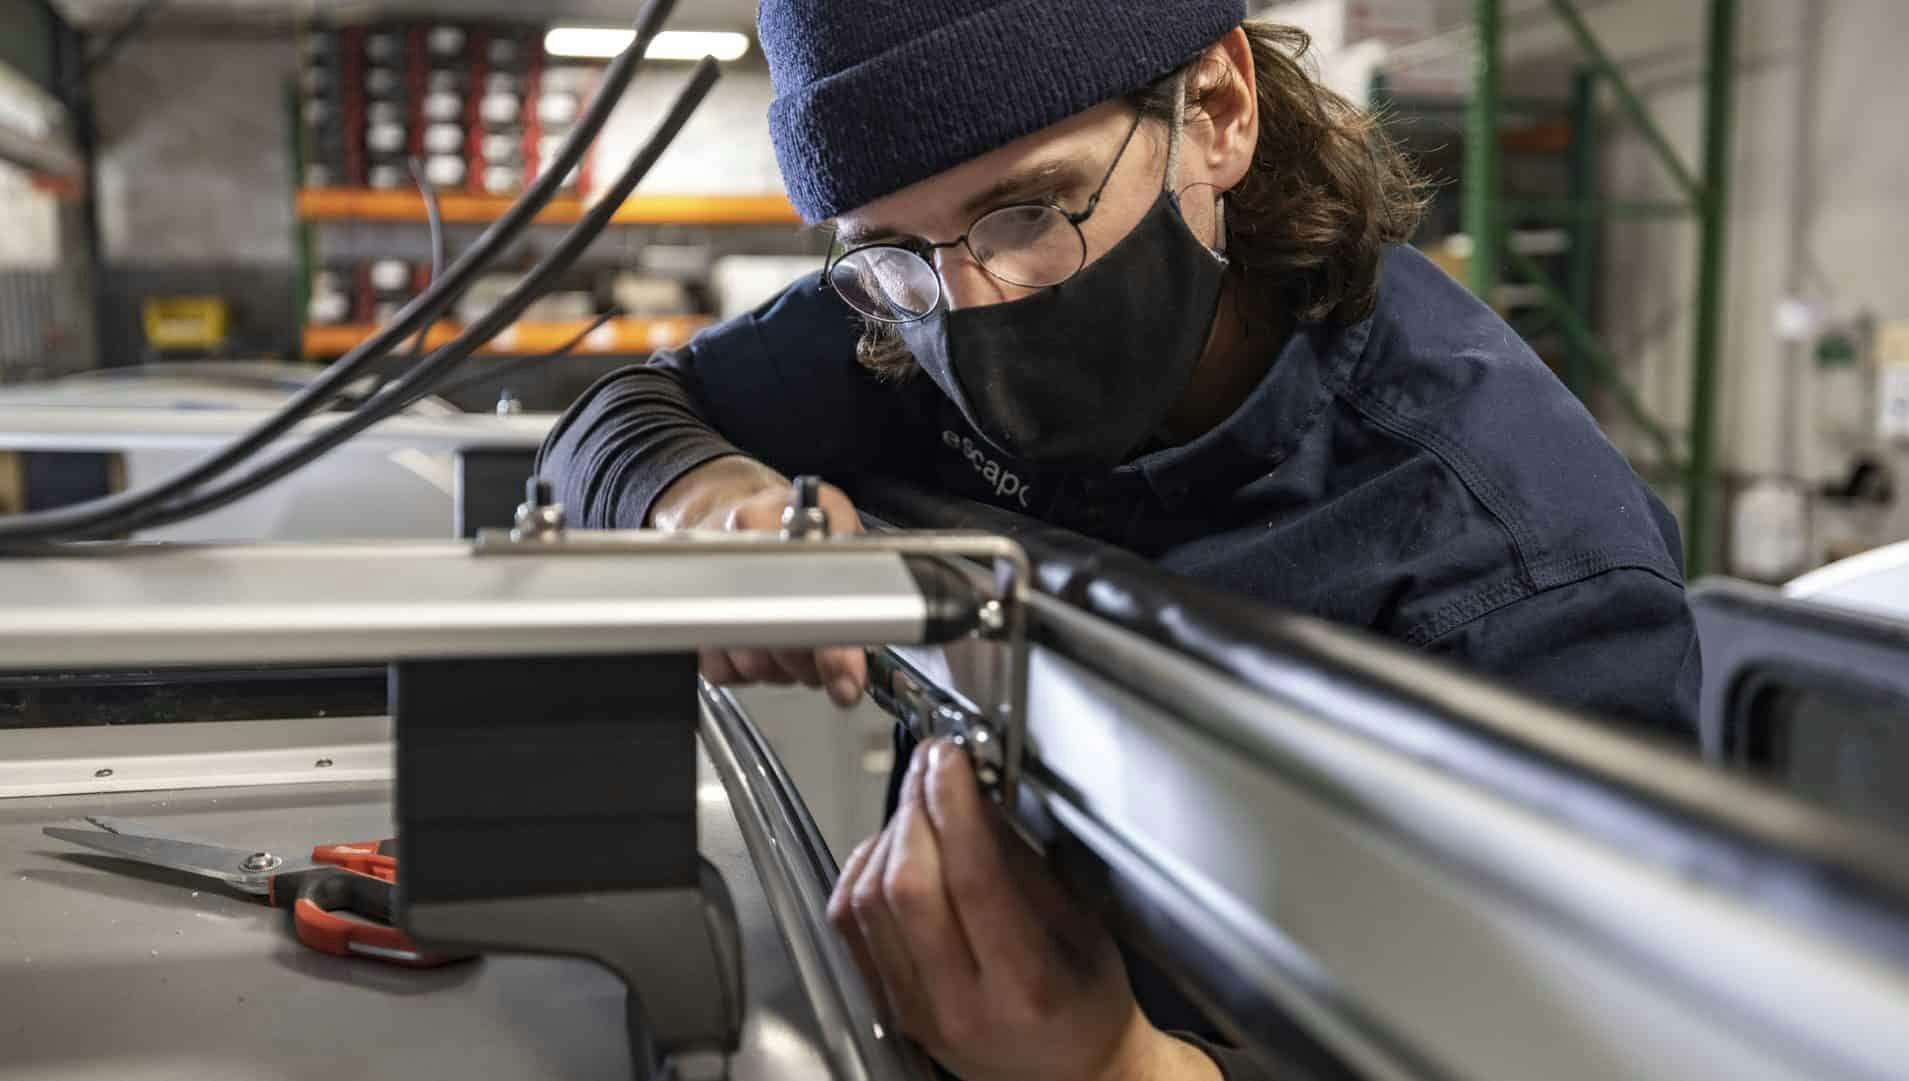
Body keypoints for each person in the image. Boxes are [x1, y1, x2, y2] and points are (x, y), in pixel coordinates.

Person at [542, 2, 1703, 1077]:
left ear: (1217, 113)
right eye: (897, 247)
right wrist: (713, 509)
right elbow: (620, 418)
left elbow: (1583, 1053)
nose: (977, 307)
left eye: (1035, 210)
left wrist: (1124, 1068)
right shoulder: (911, 299)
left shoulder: (1525, 568)